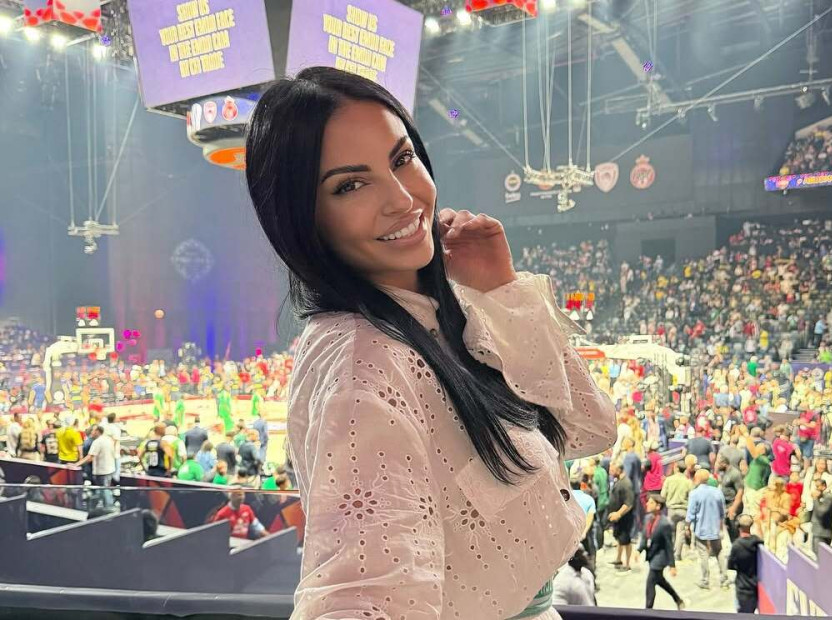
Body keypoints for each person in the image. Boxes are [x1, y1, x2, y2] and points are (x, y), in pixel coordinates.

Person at [244, 67, 617, 620]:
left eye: (401, 159)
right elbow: (359, 598)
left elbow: (589, 427)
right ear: (302, 219)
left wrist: (500, 292)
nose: (402, 199)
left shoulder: (450, 314)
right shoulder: (362, 363)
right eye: (350, 185)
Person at [638, 494, 685, 610]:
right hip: (652, 554)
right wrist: (639, 550)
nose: (647, 504)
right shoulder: (647, 519)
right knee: (659, 580)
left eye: (651, 502)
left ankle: (648, 610)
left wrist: (672, 565)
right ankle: (677, 599)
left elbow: (669, 546)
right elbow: (645, 536)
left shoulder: (665, 524)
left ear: (658, 506)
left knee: (650, 582)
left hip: (660, 557)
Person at [687, 469, 729, 590]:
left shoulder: (694, 494)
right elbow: (722, 512)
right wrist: (721, 527)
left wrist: (687, 527)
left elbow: (691, 514)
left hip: (701, 529)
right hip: (715, 528)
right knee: (719, 552)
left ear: (697, 479)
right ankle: (724, 579)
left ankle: (705, 580)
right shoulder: (717, 492)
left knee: (703, 554)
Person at [74, 425, 116, 508]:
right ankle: (105, 506)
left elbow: (90, 457)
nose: (91, 432)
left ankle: (108, 508)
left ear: (97, 431)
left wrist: (77, 464)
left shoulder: (97, 442)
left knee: (104, 491)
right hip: (110, 469)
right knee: (105, 490)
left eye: (93, 430)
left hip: (101, 471)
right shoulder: (108, 440)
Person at [728, 514, 763, 614]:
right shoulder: (758, 543)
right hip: (755, 588)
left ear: (738, 526)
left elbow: (730, 565)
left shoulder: (736, 545)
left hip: (742, 589)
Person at [661, 460, 693, 562]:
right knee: (680, 533)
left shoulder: (669, 480)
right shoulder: (688, 482)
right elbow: (691, 497)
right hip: (683, 510)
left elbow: (663, 495)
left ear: (676, 468)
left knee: (671, 532)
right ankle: (677, 554)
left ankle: (669, 552)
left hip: (671, 509)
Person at [608, 461, 637, 572]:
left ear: (619, 470)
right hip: (618, 518)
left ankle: (627, 564)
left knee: (626, 540)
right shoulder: (618, 481)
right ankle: (618, 559)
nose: (610, 472)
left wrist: (618, 513)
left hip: (625, 518)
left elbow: (628, 504)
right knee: (620, 539)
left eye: (612, 470)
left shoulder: (626, 484)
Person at [718, 456, 745, 542]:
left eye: (719, 464)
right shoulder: (725, 472)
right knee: (729, 528)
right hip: (726, 505)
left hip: (733, 504)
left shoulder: (735, 474)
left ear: (724, 464)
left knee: (734, 529)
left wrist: (734, 507)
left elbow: (740, 492)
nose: (717, 466)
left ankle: (737, 544)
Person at [809, 478, 832, 558]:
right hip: (817, 531)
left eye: (817, 486)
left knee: (821, 557)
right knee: (816, 554)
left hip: (823, 533)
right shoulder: (822, 497)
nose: (816, 489)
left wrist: (815, 499)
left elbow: (821, 513)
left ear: (824, 486)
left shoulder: (828, 497)